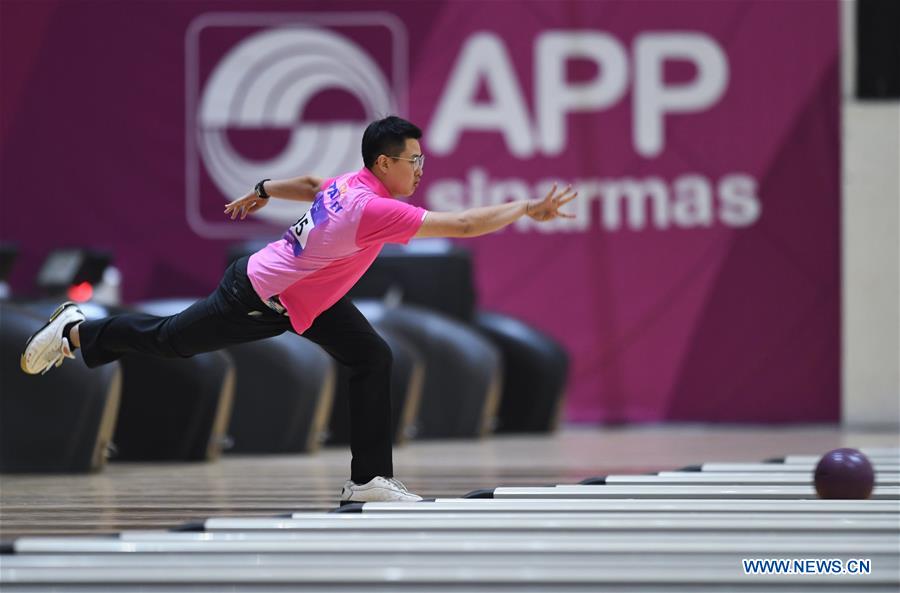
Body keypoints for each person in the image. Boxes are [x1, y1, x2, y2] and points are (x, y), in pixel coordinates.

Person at [20, 116, 577, 504]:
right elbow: (462, 225)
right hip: (258, 297)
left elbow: (312, 183)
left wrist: (264, 186)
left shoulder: (350, 184)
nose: (420, 169)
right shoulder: (373, 209)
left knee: (371, 357)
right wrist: (528, 207)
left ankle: (369, 480)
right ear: (385, 164)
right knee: (169, 341)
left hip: (310, 297)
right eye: (414, 161)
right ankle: (80, 331)